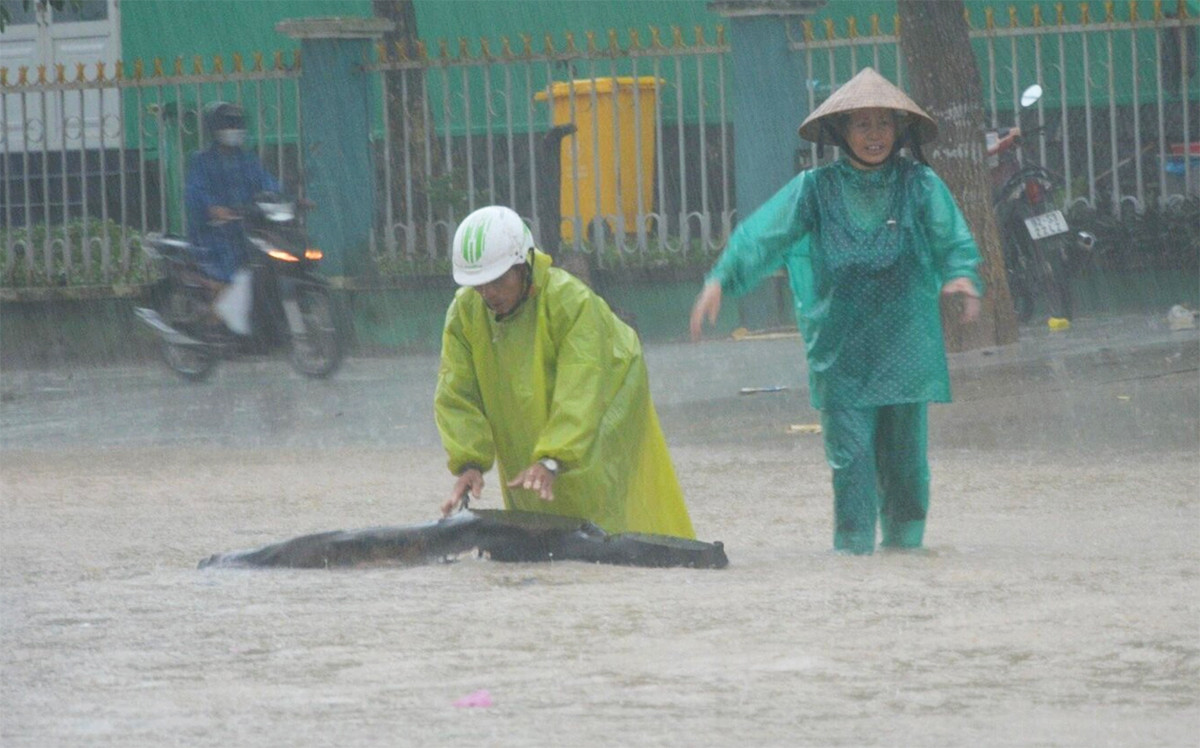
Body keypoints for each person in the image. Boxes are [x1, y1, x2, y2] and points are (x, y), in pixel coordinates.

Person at [689, 67, 984, 555]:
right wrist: (721, 278)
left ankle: (905, 560)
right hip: (842, 352)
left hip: (906, 348)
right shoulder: (815, 190)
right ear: (841, 132)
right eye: (862, 125)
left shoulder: (920, 185)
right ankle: (853, 564)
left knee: (907, 467)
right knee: (852, 466)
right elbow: (765, 234)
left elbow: (952, 237)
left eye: (883, 124)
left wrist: (962, 275)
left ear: (899, 130)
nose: (874, 136)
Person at [435, 205, 695, 539]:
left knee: (588, 485)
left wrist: (554, 458)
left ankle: (606, 550)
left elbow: (582, 384)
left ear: (523, 265)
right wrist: (469, 463)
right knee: (531, 488)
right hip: (558, 394)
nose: (489, 294)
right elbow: (457, 392)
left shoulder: (570, 303)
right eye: (479, 284)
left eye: (498, 281)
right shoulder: (464, 313)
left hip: (612, 385)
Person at [184, 101, 280, 287]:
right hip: (212, 236)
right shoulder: (202, 161)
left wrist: (286, 199)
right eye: (228, 124)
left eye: (237, 124)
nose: (234, 129)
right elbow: (194, 191)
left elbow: (267, 182)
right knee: (227, 283)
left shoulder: (248, 160)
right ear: (214, 128)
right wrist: (212, 209)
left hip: (244, 232)